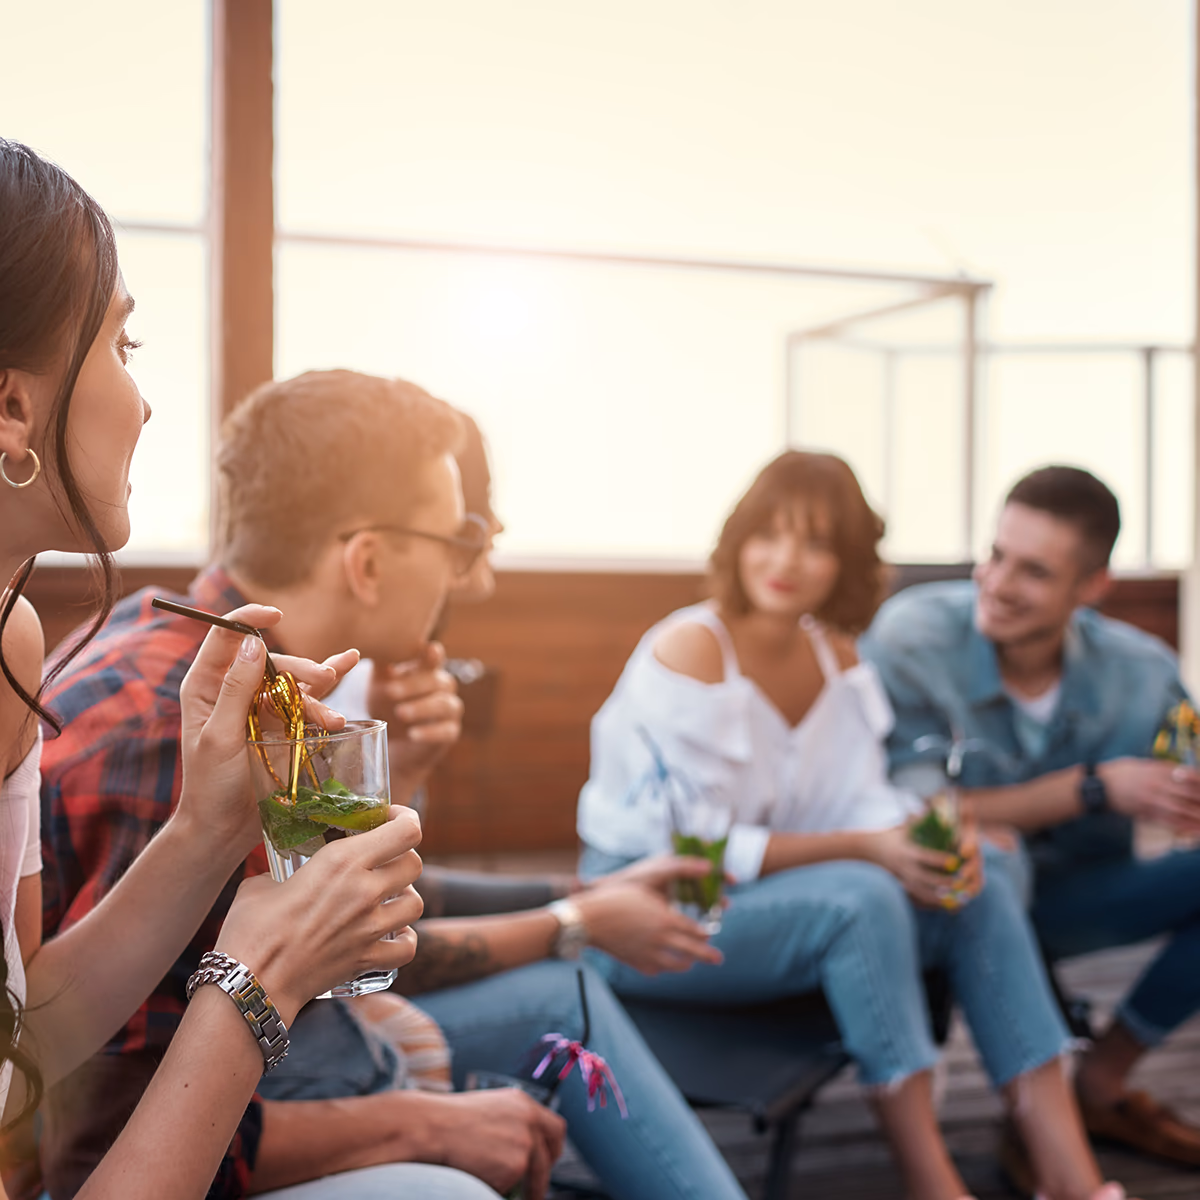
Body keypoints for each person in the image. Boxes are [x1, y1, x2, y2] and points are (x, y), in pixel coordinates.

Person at [38, 369, 750, 1200]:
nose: (464, 578)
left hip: (292, 1052)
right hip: (219, 1115)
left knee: (564, 989)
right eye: (453, 546)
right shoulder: (181, 734)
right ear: (368, 563)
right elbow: (96, 1137)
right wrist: (424, 1121)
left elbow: (344, 910)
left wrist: (575, 890)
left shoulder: (198, 662)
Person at [0, 138, 436, 1200]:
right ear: (14, 409)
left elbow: (23, 1052)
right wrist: (256, 983)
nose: (143, 403)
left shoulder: (12, 649)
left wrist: (208, 830)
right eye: (122, 342)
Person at [577, 450, 1135, 1200]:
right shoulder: (694, 648)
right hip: (650, 919)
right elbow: (695, 852)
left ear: (844, 561)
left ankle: (1073, 1180)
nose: (786, 561)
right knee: (860, 897)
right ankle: (931, 1183)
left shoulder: (836, 659)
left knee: (985, 873)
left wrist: (934, 838)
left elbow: (864, 805)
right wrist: (870, 849)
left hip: (771, 910)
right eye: (769, 534)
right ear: (738, 538)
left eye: (816, 542)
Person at [860, 464, 1200, 1169]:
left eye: (1035, 572)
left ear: (1091, 589)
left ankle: (1099, 1085)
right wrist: (1096, 787)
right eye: (996, 555)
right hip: (956, 896)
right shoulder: (912, 638)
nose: (998, 583)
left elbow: (1188, 761)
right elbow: (921, 815)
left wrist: (1184, 798)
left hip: (1076, 900)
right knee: (992, 852)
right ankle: (1040, 1125)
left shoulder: (1144, 671)